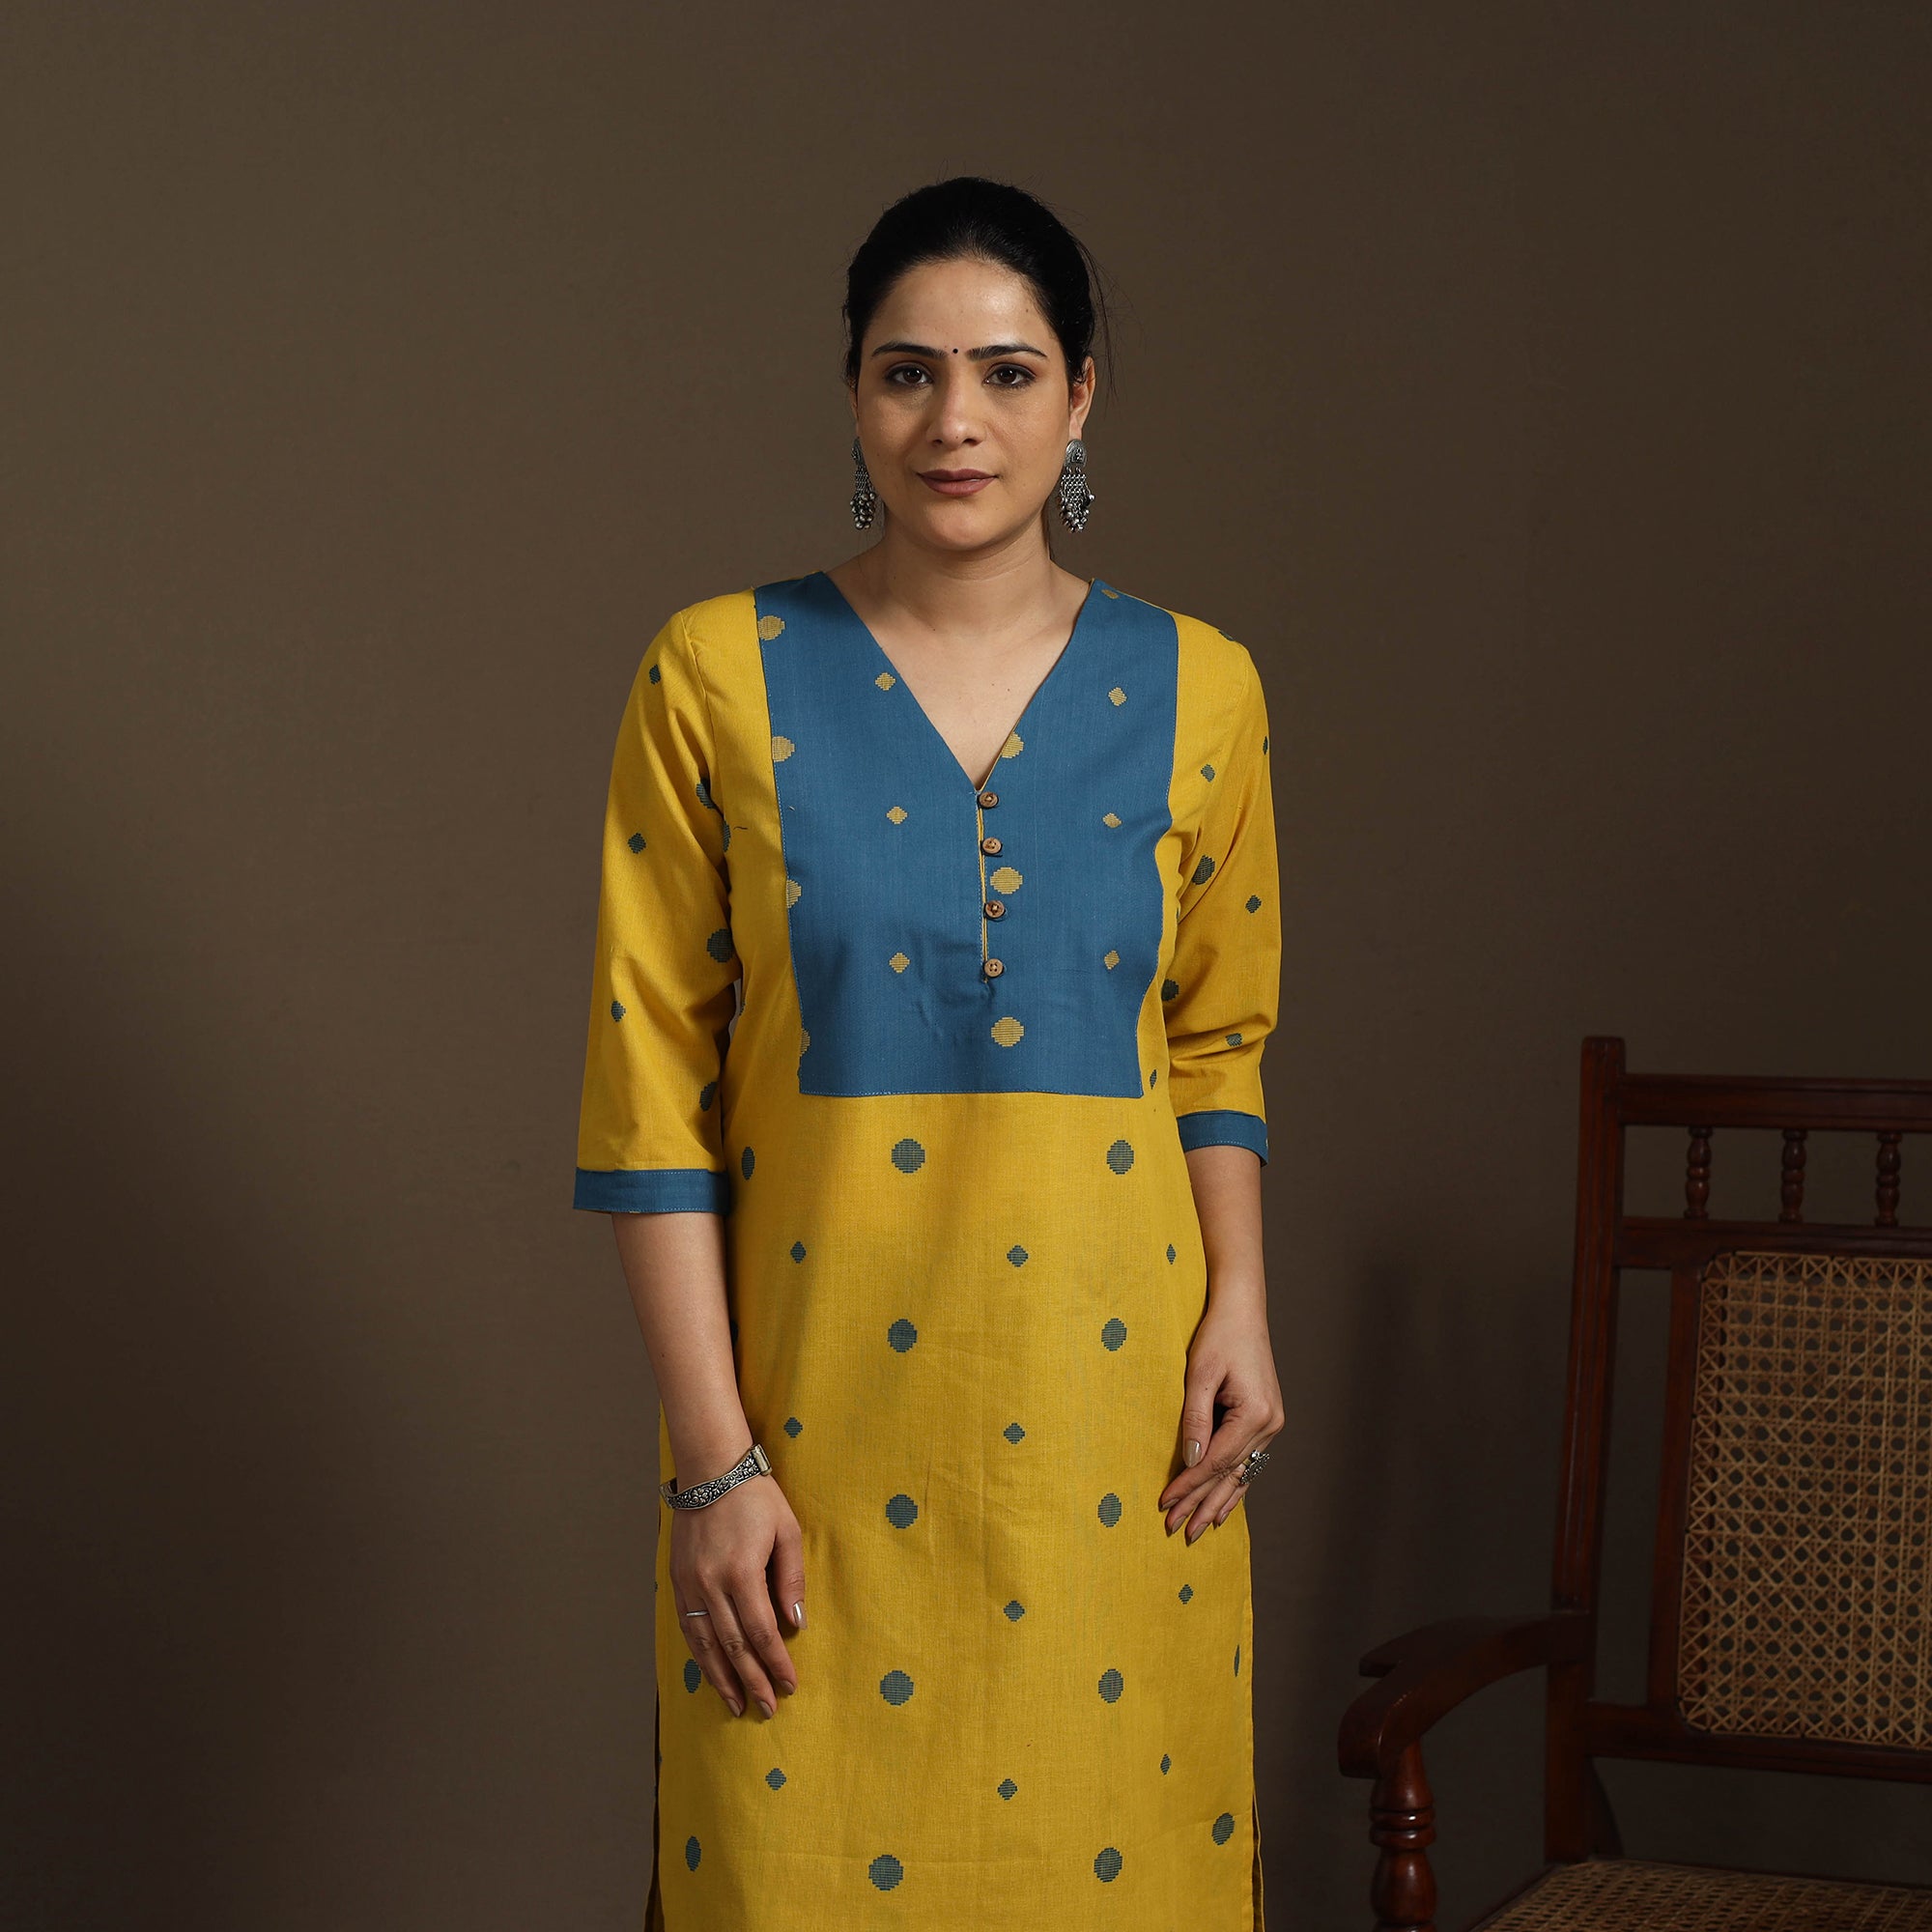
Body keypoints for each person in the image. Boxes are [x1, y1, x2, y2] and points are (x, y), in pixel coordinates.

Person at [572, 174, 1284, 1930]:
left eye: (1008, 372)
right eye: (907, 373)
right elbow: (650, 1098)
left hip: (1114, 1459)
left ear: (1081, 395)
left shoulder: (1204, 688)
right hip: (806, 1465)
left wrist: (1243, 1306)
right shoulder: (714, 676)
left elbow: (1215, 1040)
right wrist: (713, 1467)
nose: (955, 421)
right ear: (853, 396)